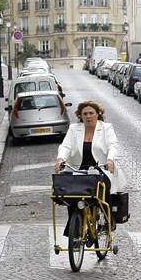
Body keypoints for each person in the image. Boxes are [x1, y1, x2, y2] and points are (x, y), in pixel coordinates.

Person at [55, 100, 127, 233]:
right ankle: (75, 225)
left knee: (103, 187)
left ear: (97, 114)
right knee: (70, 192)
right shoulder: (73, 129)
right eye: (85, 114)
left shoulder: (106, 128)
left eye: (91, 113)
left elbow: (113, 145)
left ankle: (108, 218)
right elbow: (66, 146)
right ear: (80, 116)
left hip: (101, 169)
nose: (88, 116)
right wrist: (60, 159)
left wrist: (110, 160)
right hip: (78, 169)